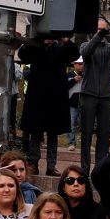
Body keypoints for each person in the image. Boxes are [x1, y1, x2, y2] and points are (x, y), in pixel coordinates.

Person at [17, 36, 73, 177]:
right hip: (37, 96)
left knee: (53, 134)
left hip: (56, 97)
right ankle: (33, 163)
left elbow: (74, 54)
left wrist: (66, 40)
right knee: (35, 132)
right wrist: (33, 40)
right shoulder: (36, 48)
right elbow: (22, 54)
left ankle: (51, 166)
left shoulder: (60, 48)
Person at [77, 19, 110, 177]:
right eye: (99, 29)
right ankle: (84, 169)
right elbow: (85, 54)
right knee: (86, 133)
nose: (102, 32)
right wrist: (98, 36)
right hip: (88, 94)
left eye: (104, 30)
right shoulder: (86, 44)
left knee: (104, 134)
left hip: (106, 95)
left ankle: (99, 169)